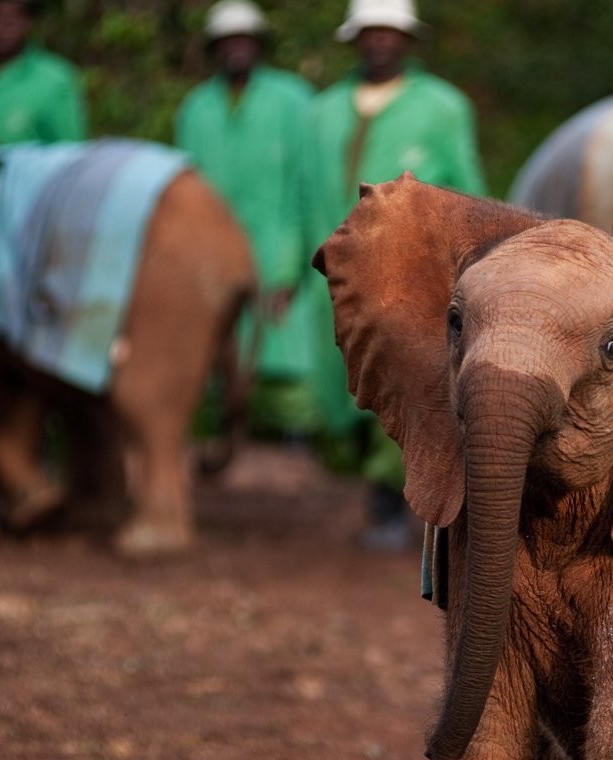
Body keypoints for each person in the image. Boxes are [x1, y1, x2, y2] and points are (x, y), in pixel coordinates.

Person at [303, 0, 486, 549]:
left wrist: (472, 260)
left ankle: (393, 507)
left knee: (404, 381)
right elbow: (301, 193)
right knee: (337, 388)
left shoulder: (443, 107)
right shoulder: (322, 110)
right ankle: (371, 489)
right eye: (369, 32)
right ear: (354, 39)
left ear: (408, 40)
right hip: (331, 271)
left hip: (410, 272)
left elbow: (467, 189)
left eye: (390, 32)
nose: (379, 42)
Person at [174, 1, 317, 438]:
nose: (237, 48)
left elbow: (304, 189)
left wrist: (290, 268)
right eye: (227, 41)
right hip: (211, 255)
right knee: (221, 360)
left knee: (287, 369)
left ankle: (299, 457)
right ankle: (231, 448)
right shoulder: (196, 108)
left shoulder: (294, 101)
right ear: (216, 47)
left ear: (258, 44)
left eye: (245, 39)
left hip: (277, 251)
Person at [0, 0, 87, 145]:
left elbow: (70, 154)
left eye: (14, 18)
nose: (3, 26)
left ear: (29, 22)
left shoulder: (56, 80)